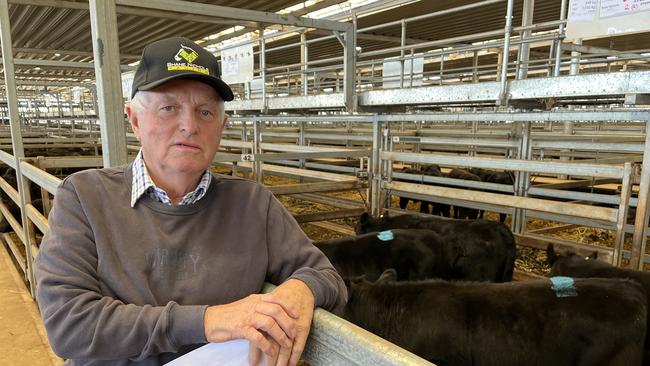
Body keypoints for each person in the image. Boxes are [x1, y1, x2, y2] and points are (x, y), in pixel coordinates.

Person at [33, 36, 347, 366]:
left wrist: (301, 289)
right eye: (169, 108)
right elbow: (69, 324)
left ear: (222, 126)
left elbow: (326, 276)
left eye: (205, 111)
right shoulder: (84, 197)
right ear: (135, 120)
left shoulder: (253, 204)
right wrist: (213, 321)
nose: (189, 126)